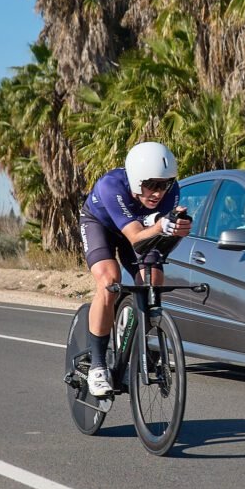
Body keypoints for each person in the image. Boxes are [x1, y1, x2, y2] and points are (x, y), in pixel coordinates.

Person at [78, 141, 192, 396]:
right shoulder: (112, 186)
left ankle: (139, 346)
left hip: (141, 232)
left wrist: (177, 231)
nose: (158, 192)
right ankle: (97, 365)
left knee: (153, 278)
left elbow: (158, 245)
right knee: (109, 280)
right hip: (102, 227)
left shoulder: (172, 193)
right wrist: (163, 226)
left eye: (164, 184)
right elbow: (135, 236)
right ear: (135, 181)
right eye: (150, 184)